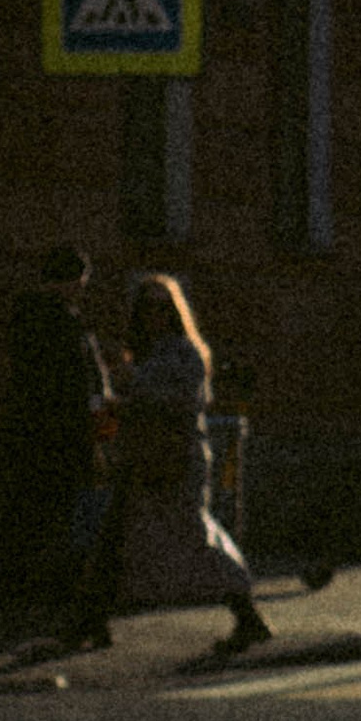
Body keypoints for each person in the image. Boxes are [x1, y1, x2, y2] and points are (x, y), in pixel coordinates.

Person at [63, 273, 271, 658]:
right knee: (115, 540)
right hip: (141, 456)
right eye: (146, 308)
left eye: (162, 307)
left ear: (175, 312)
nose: (153, 315)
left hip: (176, 457)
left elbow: (182, 402)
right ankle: (88, 621)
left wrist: (128, 401)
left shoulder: (183, 352)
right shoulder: (145, 352)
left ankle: (247, 614)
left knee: (192, 535)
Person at [0, 244, 109, 602]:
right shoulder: (64, 323)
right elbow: (79, 386)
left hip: (29, 432)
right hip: (64, 436)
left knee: (34, 514)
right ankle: (58, 592)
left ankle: (30, 587)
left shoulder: (26, 317)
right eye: (81, 282)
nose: (83, 289)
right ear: (73, 280)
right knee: (63, 515)